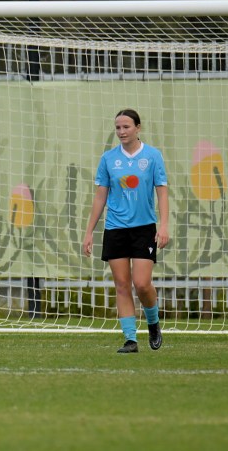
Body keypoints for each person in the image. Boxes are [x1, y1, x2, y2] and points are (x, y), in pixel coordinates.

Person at [82, 109, 169, 354]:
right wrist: (89, 232)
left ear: (138, 128)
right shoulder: (108, 159)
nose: (121, 132)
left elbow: (162, 192)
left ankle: (153, 323)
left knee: (142, 284)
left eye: (126, 127)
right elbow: (100, 197)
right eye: (118, 128)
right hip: (115, 228)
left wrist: (164, 225)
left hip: (144, 229)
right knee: (122, 284)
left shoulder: (153, 156)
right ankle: (130, 339)